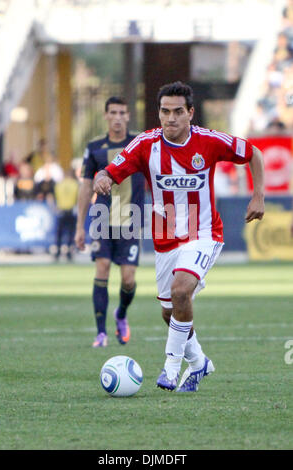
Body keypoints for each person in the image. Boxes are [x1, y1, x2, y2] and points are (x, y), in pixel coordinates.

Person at [93, 81, 265, 392]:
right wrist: (101, 178)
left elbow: (254, 154)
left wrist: (258, 196)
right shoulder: (146, 145)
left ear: (190, 114)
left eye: (177, 112)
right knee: (170, 309)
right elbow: (110, 170)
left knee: (181, 290)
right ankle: (199, 363)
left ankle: (171, 369)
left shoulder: (209, 142)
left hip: (203, 233)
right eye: (164, 111)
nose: (170, 118)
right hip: (165, 240)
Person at [74, 96, 145, 348]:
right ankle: (101, 333)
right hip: (102, 218)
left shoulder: (139, 144)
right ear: (106, 115)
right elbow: (85, 188)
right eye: (113, 112)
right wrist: (80, 225)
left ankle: (121, 315)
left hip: (131, 219)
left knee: (128, 279)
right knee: (102, 267)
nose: (117, 117)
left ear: (128, 116)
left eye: (122, 112)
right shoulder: (95, 147)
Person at [54, 168, 79, 261]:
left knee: (59, 233)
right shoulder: (75, 184)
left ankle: (58, 252)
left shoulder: (59, 184)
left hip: (61, 210)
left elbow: (55, 197)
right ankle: (69, 252)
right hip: (71, 210)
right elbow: (78, 197)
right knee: (70, 233)